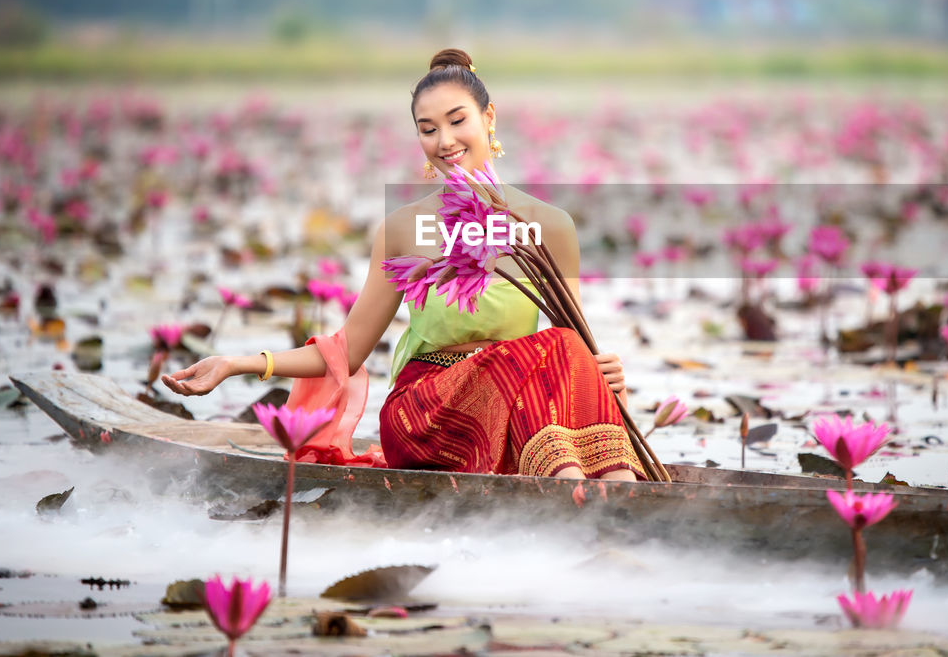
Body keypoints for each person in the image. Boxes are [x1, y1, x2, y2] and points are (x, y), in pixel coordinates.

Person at [162, 48, 646, 482]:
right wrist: (239, 363)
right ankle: (580, 501)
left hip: (515, 413)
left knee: (564, 350)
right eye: (428, 129)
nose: (445, 141)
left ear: (489, 118)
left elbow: (575, 352)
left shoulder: (550, 226)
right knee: (551, 350)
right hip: (425, 415)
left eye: (458, 121)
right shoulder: (403, 228)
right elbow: (345, 352)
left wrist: (606, 374)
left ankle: (615, 495)